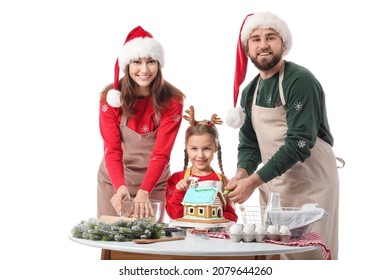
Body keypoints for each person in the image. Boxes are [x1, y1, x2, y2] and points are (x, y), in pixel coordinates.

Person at [224, 12, 343, 259]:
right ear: (248, 49)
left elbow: (300, 142)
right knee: (275, 256)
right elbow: (249, 143)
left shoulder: (300, 80)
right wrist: (242, 173)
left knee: (310, 256)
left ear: (283, 44)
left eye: (270, 37)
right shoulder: (250, 91)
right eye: (255, 39)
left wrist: (253, 181)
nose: (263, 45)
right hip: (274, 184)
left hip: (312, 183)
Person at [97, 26, 185, 222]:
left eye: (151, 61)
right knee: (113, 241)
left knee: (150, 243)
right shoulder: (110, 99)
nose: (144, 70)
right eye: (137, 61)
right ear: (127, 64)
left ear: (159, 64)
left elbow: (162, 153)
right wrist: (120, 187)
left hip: (154, 183)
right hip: (115, 182)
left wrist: (145, 191)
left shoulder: (173, 101)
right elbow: (112, 150)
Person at [165, 106, 238, 222]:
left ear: (215, 148)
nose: (200, 155)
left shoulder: (223, 181)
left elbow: (232, 217)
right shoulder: (176, 179)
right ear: (186, 148)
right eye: (194, 148)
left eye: (206, 149)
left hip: (214, 238)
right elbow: (174, 215)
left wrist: (211, 220)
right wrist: (179, 191)